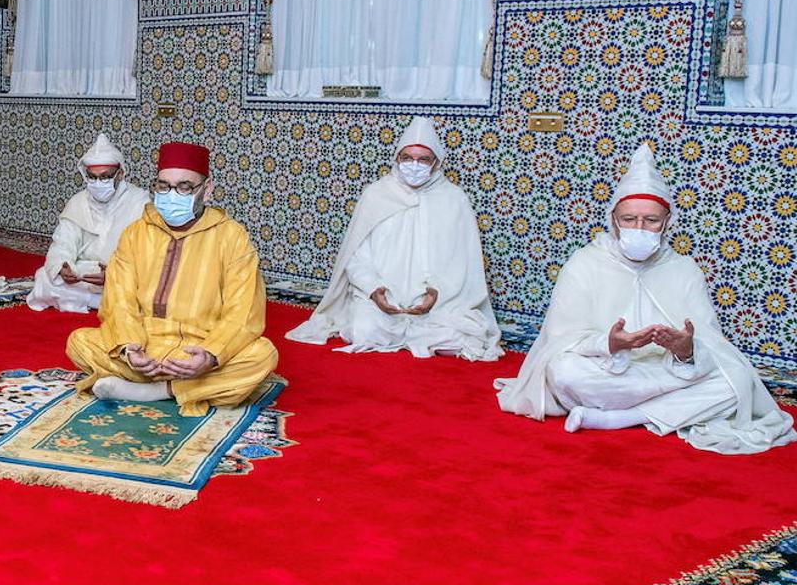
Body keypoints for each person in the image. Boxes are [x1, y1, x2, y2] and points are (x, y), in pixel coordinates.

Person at [495, 143, 796, 454]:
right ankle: (667, 410)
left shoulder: (683, 268)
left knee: (737, 379)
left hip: (664, 372)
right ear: (613, 219)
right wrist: (612, 344)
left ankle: (619, 417)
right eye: (629, 219)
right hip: (607, 371)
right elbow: (560, 339)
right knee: (564, 371)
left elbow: (712, 343)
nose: (639, 228)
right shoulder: (584, 263)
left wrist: (685, 351)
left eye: (651, 221)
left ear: (667, 222)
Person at [65, 142, 278, 417]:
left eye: (185, 187)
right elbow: (119, 300)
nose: (172, 194)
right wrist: (130, 349)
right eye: (163, 186)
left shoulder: (232, 237)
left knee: (262, 356)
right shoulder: (135, 233)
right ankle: (185, 387)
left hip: (197, 349)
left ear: (207, 190)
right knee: (79, 342)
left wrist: (210, 355)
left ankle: (156, 391)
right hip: (145, 348)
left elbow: (243, 311)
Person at [287, 117, 502, 361]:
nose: (414, 165)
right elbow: (356, 255)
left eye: (423, 159)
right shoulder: (376, 194)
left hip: (438, 304)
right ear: (397, 159)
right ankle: (400, 329)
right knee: (364, 330)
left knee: (463, 336)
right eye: (407, 158)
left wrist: (436, 292)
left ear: (436, 163)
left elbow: (464, 261)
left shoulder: (454, 199)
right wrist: (374, 289)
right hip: (382, 300)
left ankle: (420, 330)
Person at [26, 132, 149, 313]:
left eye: (105, 177)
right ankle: (105, 303)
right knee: (44, 277)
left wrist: (113, 274)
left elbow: (148, 254)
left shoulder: (140, 202)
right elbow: (63, 242)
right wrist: (62, 266)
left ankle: (98, 301)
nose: (98, 183)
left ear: (121, 174)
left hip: (124, 274)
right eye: (92, 177)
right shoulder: (78, 202)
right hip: (87, 273)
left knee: (145, 288)